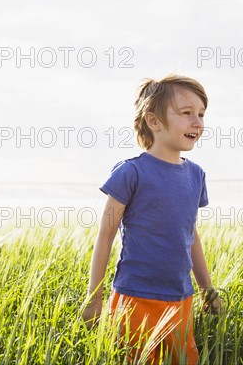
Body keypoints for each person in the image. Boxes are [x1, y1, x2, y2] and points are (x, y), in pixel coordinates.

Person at [81, 74, 223, 364]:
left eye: (201, 114)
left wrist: (206, 289)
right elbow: (105, 235)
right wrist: (94, 297)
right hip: (135, 298)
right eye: (186, 113)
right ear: (154, 121)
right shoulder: (130, 173)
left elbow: (190, 235)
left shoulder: (196, 175)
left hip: (180, 299)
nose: (198, 122)